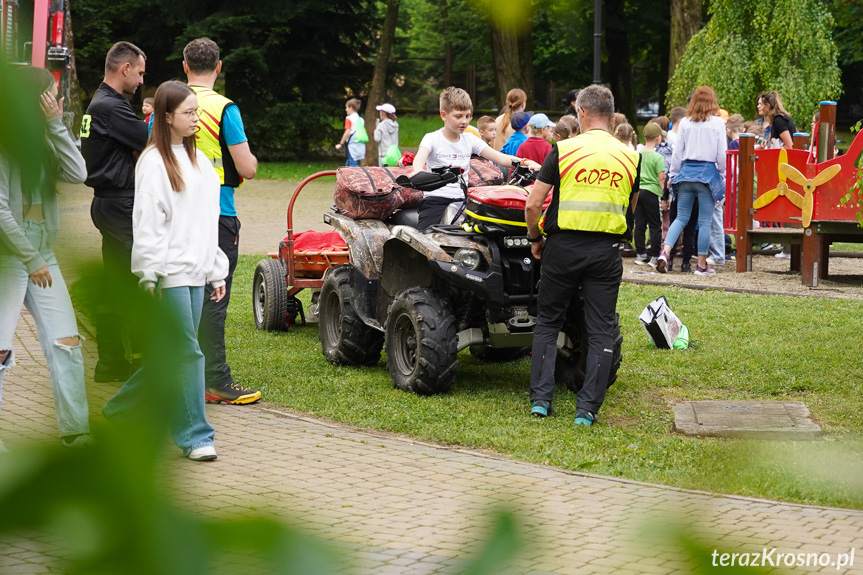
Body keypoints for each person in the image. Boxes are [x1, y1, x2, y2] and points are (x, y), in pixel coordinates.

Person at [103, 81, 228, 462]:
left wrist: (216, 270)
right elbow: (148, 225)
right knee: (189, 354)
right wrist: (149, 274)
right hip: (168, 274)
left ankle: (119, 410)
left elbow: (209, 222)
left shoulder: (202, 163)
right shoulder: (153, 162)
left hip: (196, 272)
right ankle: (195, 436)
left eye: (198, 112)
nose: (196, 119)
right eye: (190, 113)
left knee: (171, 356)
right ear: (167, 116)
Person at [525, 84, 640, 426]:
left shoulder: (563, 150)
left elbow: (533, 204)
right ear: (614, 117)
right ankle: (587, 409)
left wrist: (535, 238)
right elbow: (630, 207)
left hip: (562, 247)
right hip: (605, 251)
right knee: (601, 329)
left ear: (581, 113)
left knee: (548, 321)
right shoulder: (631, 156)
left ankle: (541, 401)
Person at [0, 66, 91, 450]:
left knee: (67, 342)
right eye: (51, 95)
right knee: (1, 349)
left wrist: (56, 127)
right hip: (11, 254)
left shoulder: (46, 142)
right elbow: (1, 211)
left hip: (43, 250)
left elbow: (79, 172)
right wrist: (31, 257)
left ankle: (76, 431)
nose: (58, 100)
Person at [182, 38, 262, 405]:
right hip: (217, 214)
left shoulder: (167, 104)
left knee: (181, 297)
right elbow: (246, 167)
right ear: (219, 67)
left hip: (176, 214)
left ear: (185, 67)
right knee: (215, 297)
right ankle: (216, 380)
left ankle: (182, 378)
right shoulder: (224, 108)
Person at [80, 41, 149, 383]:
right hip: (121, 203)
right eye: (139, 73)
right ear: (124, 69)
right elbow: (152, 140)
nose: (140, 81)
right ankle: (138, 363)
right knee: (135, 281)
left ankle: (109, 361)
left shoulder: (98, 104)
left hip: (107, 202)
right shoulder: (112, 107)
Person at [411, 87, 540, 231]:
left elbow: (500, 158)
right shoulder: (432, 138)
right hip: (435, 201)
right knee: (425, 239)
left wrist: (525, 162)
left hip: (463, 201)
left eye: (468, 116)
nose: (464, 121)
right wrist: (417, 172)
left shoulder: (470, 139)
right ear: (444, 115)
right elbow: (419, 158)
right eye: (458, 116)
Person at [657, 86, 727, 276]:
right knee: (705, 221)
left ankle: (666, 252)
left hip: (686, 172)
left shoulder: (686, 123)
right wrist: (722, 174)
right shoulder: (718, 123)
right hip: (707, 174)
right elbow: (721, 154)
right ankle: (701, 265)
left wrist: (673, 175)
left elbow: (678, 152)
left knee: (680, 218)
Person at [633, 122, 666, 268]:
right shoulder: (657, 157)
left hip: (638, 192)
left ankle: (640, 254)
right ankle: (654, 255)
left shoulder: (637, 155)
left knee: (640, 224)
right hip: (652, 192)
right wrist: (664, 194)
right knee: (655, 225)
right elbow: (661, 178)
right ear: (658, 138)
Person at [335, 98, 366, 167]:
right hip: (360, 146)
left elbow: (348, 132)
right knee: (348, 164)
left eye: (347, 107)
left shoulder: (349, 118)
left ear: (351, 108)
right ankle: (344, 177)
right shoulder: (361, 119)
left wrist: (341, 143)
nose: (346, 110)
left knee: (353, 165)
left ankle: (358, 177)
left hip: (352, 146)